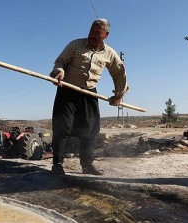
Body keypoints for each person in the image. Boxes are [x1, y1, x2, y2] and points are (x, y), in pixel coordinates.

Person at [49, 18, 128, 176]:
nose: (92, 35)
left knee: (90, 130)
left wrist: (119, 95)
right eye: (91, 31)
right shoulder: (75, 45)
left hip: (89, 93)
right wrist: (59, 72)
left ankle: (87, 165)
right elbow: (60, 61)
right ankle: (57, 164)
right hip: (67, 90)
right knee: (62, 128)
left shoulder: (109, 53)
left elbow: (119, 73)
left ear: (105, 35)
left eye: (97, 33)